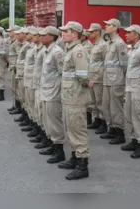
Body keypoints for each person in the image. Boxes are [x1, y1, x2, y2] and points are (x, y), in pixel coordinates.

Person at [59, 21, 91, 180]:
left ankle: (82, 165)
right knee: (70, 129)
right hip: (69, 96)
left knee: (77, 130)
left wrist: (87, 84)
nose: (63, 33)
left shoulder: (78, 51)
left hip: (76, 97)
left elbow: (83, 75)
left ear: (75, 34)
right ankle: (74, 158)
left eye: (67, 31)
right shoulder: (70, 49)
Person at [121, 25, 140, 159]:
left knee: (139, 117)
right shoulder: (132, 50)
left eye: (129, 33)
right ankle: (134, 140)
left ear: (137, 35)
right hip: (130, 88)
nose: (126, 35)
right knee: (129, 116)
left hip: (139, 89)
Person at [38, 26, 66, 164]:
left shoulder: (57, 52)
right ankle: (52, 145)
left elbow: (63, 74)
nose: (41, 37)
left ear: (51, 37)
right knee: (48, 121)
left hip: (54, 93)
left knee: (55, 122)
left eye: (44, 35)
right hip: (46, 91)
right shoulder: (47, 51)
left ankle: (59, 150)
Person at [101, 18, 128, 144]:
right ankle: (111, 127)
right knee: (106, 105)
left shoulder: (119, 43)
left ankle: (119, 132)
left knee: (116, 107)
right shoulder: (109, 43)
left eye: (109, 25)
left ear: (116, 28)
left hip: (116, 80)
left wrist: (122, 79)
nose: (106, 26)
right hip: (107, 79)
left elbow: (124, 64)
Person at [86, 23, 107, 133]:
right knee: (93, 101)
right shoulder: (95, 45)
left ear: (97, 32)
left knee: (100, 102)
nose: (89, 33)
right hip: (92, 76)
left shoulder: (103, 45)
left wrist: (98, 77)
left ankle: (103, 123)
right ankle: (97, 120)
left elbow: (105, 63)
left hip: (99, 78)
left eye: (91, 31)